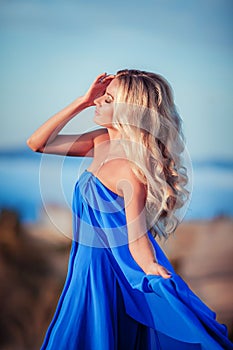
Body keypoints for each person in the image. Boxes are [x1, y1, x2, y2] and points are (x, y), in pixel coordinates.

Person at [27, 69, 233, 349]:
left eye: (108, 99)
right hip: (84, 266)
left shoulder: (133, 171)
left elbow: (136, 238)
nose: (99, 102)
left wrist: (150, 267)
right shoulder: (100, 141)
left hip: (108, 271)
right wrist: (83, 101)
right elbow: (37, 143)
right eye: (101, 98)